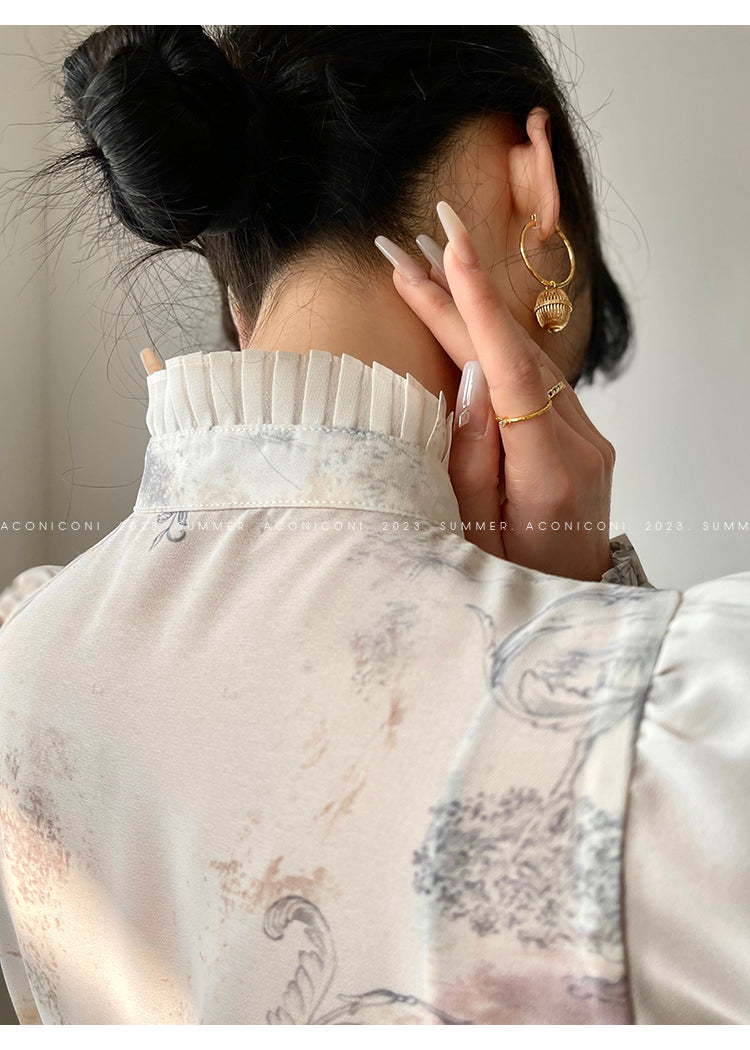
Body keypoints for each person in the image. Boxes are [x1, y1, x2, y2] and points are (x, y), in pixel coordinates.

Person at [0, 25, 747, 1025]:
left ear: (235, 289)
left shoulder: (26, 664)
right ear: (530, 183)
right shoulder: (695, 706)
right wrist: (573, 621)